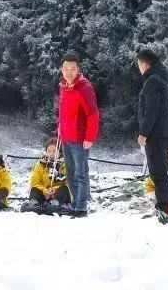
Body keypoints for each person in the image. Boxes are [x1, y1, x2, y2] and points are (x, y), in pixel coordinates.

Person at [57, 53, 99, 218]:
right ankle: (75, 204)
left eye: (72, 69)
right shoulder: (63, 86)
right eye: (66, 69)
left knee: (81, 173)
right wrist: (60, 128)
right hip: (66, 137)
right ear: (62, 69)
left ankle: (81, 207)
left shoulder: (84, 88)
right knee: (70, 173)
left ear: (78, 69)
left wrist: (89, 137)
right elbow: (62, 111)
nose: (69, 72)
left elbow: (93, 114)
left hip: (80, 139)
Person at [135, 49, 168, 216]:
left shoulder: (152, 81)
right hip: (162, 133)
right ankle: (163, 203)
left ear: (144, 63)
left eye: (139, 65)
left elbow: (151, 110)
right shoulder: (159, 79)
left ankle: (163, 206)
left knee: (158, 173)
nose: (139, 69)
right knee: (159, 171)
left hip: (156, 135)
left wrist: (143, 133)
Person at [23, 137, 71, 213]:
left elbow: (68, 183)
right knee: (34, 189)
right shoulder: (40, 164)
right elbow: (35, 182)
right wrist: (44, 191)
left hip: (58, 195)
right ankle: (34, 205)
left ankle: (56, 205)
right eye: (49, 151)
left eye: (54, 151)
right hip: (44, 193)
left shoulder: (65, 165)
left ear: (60, 152)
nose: (51, 154)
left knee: (64, 189)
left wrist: (54, 190)